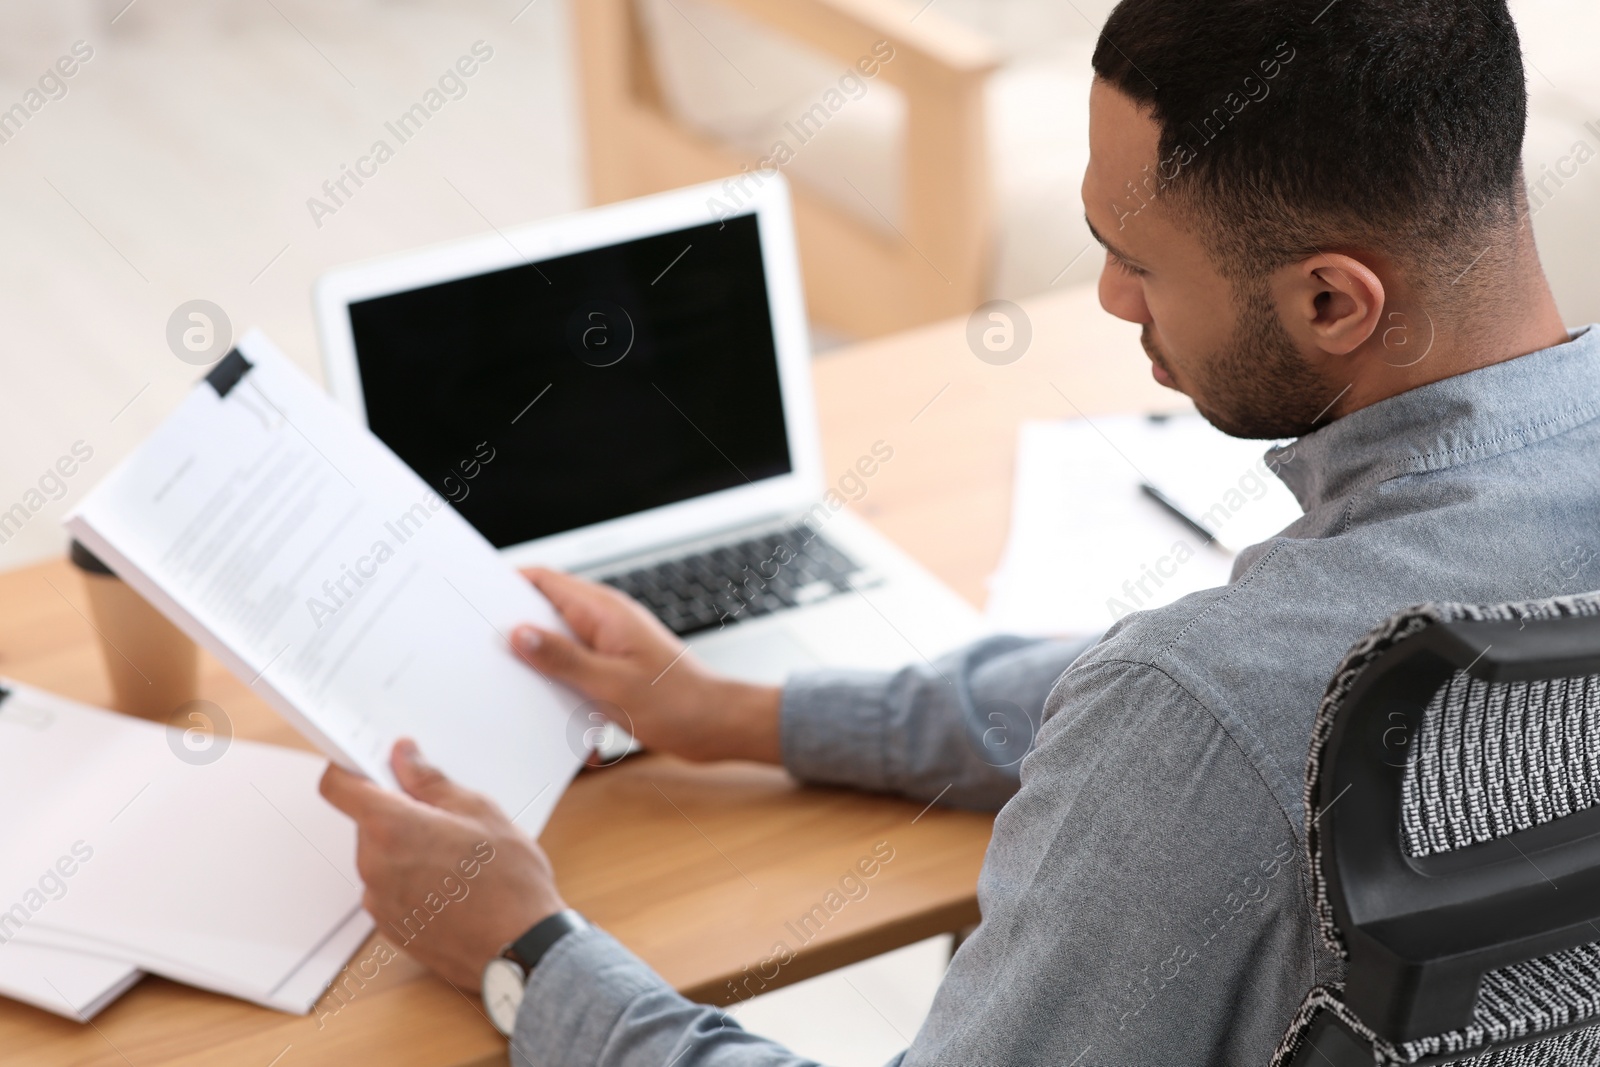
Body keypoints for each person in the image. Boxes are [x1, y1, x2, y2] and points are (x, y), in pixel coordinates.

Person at [320, 0, 1600, 1062]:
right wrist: (739, 714)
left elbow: (1207, 722)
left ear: (1330, 298)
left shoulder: (1211, 706)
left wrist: (529, 954)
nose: (1104, 296)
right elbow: (1198, 720)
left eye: (1137, 262)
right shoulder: (1241, 689)